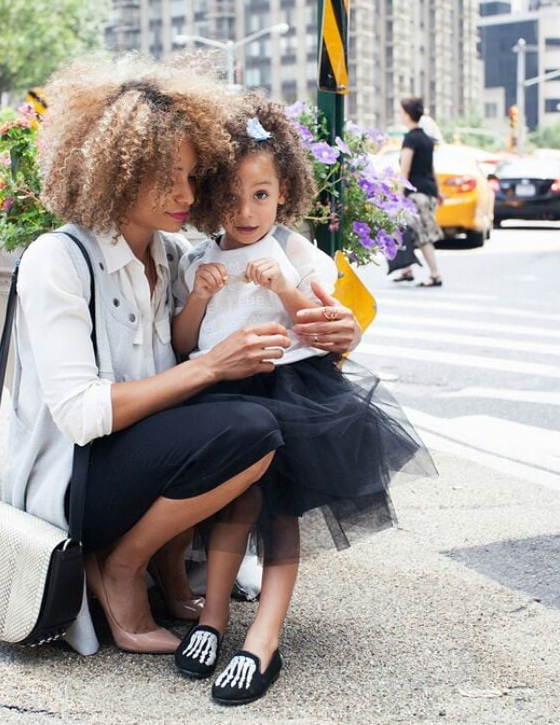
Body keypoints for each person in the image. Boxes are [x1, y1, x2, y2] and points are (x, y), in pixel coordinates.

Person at [3, 56, 364, 658]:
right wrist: (211, 365)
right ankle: (121, 566)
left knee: (253, 422)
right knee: (248, 427)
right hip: (76, 481)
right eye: (166, 177)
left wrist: (341, 331)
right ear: (116, 173)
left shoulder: (175, 257)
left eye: (195, 177)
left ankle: (171, 573)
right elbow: (81, 415)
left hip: (143, 463)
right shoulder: (57, 259)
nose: (186, 195)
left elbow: (271, 309)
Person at [170, 93, 434, 705]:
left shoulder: (295, 252)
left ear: (283, 192)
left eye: (260, 195)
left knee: (278, 511)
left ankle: (264, 634)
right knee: (230, 507)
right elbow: (186, 341)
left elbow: (323, 324)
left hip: (291, 392)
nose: (245, 210)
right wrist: (202, 298)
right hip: (222, 392)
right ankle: (212, 619)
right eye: (231, 198)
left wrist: (285, 288)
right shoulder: (200, 258)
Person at [387, 97, 443, 287]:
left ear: (408, 114)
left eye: (401, 112)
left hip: (416, 194)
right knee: (405, 230)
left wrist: (399, 195)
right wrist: (439, 191)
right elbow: (431, 168)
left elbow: (405, 170)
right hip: (429, 191)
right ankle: (406, 270)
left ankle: (435, 274)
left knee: (422, 234)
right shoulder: (427, 139)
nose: (400, 116)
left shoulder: (410, 139)